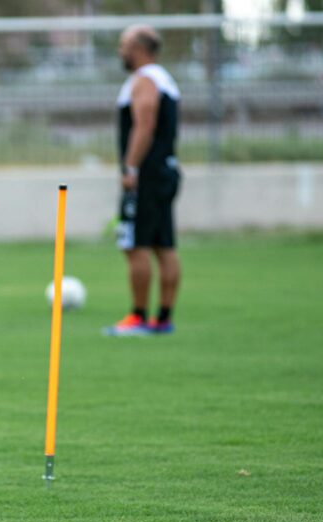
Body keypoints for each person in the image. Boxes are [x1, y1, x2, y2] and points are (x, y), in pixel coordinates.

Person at [104, 25, 182, 337]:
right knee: (164, 245)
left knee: (134, 245)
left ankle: (138, 317)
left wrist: (130, 168)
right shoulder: (164, 79)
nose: (120, 51)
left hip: (147, 176)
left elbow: (145, 123)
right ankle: (162, 319)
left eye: (123, 45)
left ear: (138, 48)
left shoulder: (145, 80)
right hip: (164, 170)